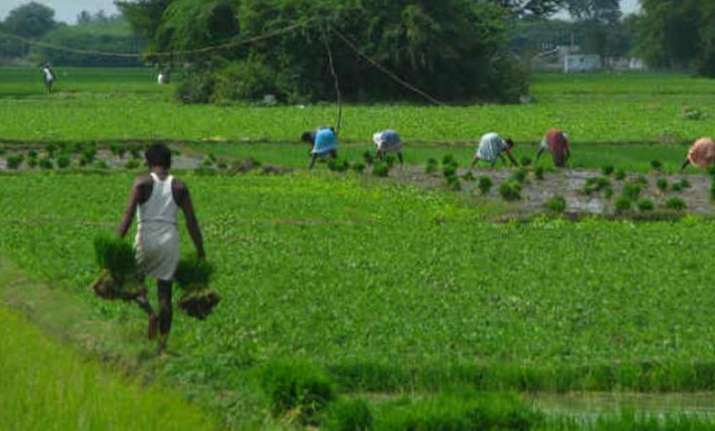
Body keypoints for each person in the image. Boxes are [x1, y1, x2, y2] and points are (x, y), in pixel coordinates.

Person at [117, 143, 205, 353]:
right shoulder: (179, 187)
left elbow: (127, 216)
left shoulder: (141, 183)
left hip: (146, 237)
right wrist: (200, 250)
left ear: (148, 162)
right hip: (169, 241)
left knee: (133, 284)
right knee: (164, 295)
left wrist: (117, 242)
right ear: (169, 163)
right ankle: (162, 346)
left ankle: (149, 311)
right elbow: (191, 221)